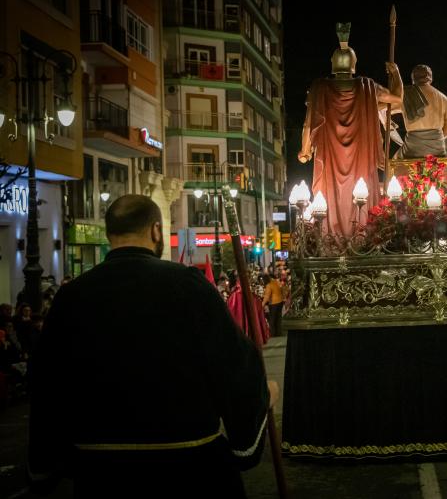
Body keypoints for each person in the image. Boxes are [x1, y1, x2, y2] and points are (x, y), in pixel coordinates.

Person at [27, 195, 279, 498]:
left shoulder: (72, 296)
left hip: (102, 476)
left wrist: (47, 462)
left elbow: (47, 381)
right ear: (156, 231)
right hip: (188, 471)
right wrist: (261, 399)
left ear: (109, 234)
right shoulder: (188, 285)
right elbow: (232, 363)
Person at [298, 22, 403, 238]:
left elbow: (309, 123)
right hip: (360, 157)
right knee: (361, 190)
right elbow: (397, 98)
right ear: (354, 64)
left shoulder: (319, 88)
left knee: (328, 196)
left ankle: (330, 238)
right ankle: (363, 235)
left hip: (329, 158)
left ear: (333, 63)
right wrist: (396, 74)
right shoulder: (367, 87)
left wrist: (305, 150)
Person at [392, 64, 447, 159]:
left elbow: (387, 109)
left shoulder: (406, 94)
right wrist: (432, 141)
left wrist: (395, 73)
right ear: (430, 78)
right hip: (437, 149)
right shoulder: (444, 98)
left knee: (394, 161)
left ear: (413, 78)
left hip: (412, 149)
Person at [262, 270, 285, 337]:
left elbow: (267, 296)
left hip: (273, 303)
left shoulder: (269, 285)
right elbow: (282, 289)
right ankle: (279, 333)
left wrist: (262, 304)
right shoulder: (275, 282)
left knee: (272, 319)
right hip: (280, 302)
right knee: (278, 318)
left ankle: (273, 333)